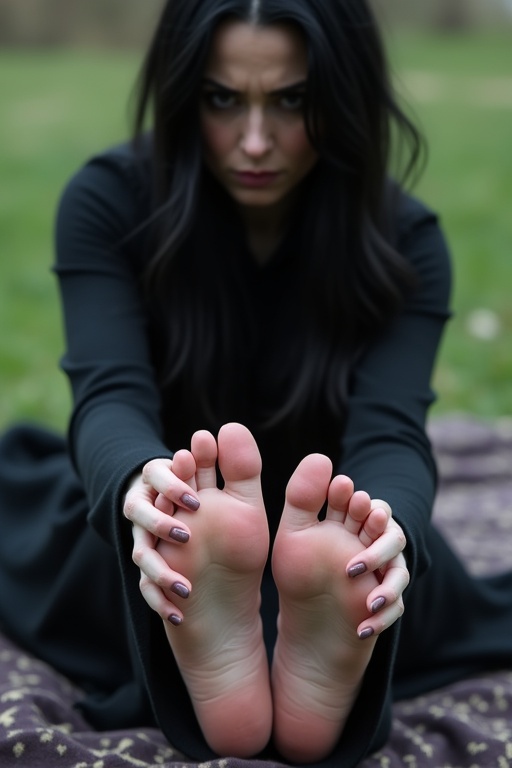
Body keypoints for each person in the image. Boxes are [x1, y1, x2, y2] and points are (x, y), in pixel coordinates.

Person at [1, 0, 512, 765]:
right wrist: (140, 490)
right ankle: (217, 608)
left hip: (330, 534)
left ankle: (316, 629)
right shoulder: (108, 201)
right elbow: (110, 396)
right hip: (174, 526)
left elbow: (390, 433)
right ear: (182, 94)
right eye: (221, 99)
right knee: (143, 554)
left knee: (370, 566)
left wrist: (387, 532)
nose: (253, 140)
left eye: (293, 100)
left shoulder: (404, 240)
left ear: (344, 96)